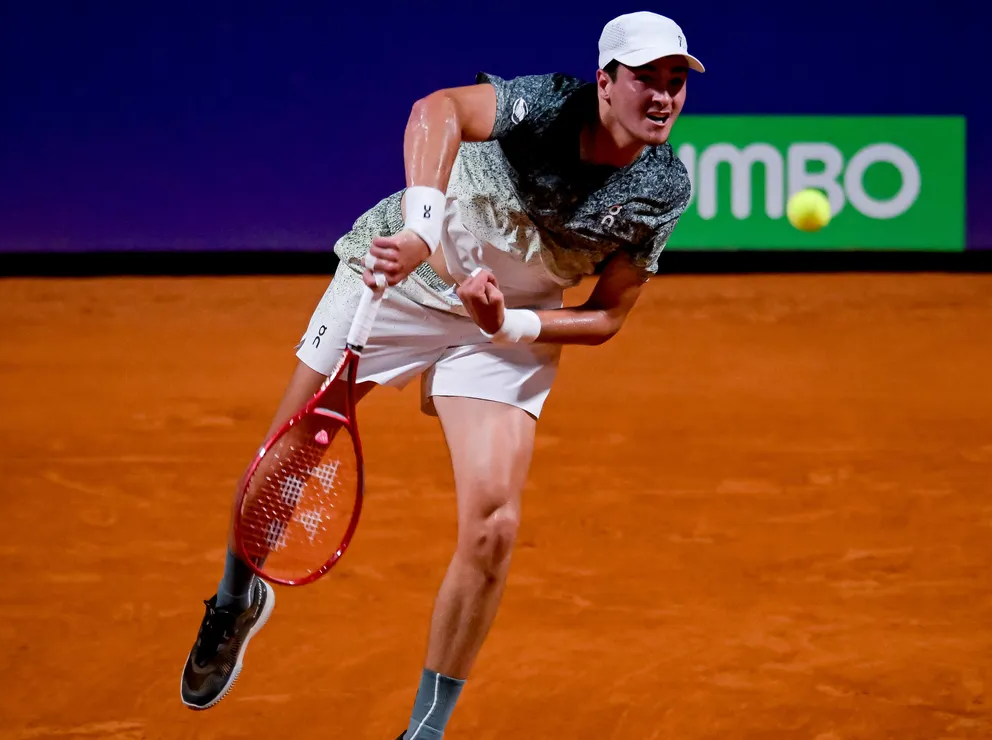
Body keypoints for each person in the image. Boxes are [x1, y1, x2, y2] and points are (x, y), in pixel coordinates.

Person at [179, 10, 704, 739]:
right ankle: (235, 599)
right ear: (605, 82)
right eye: (646, 78)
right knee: (288, 457)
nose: (664, 96)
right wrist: (422, 232)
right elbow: (438, 110)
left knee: (494, 526)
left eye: (676, 80)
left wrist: (507, 325)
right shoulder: (547, 104)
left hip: (505, 322)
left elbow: (607, 316)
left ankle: (425, 731)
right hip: (405, 279)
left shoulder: (664, 187)